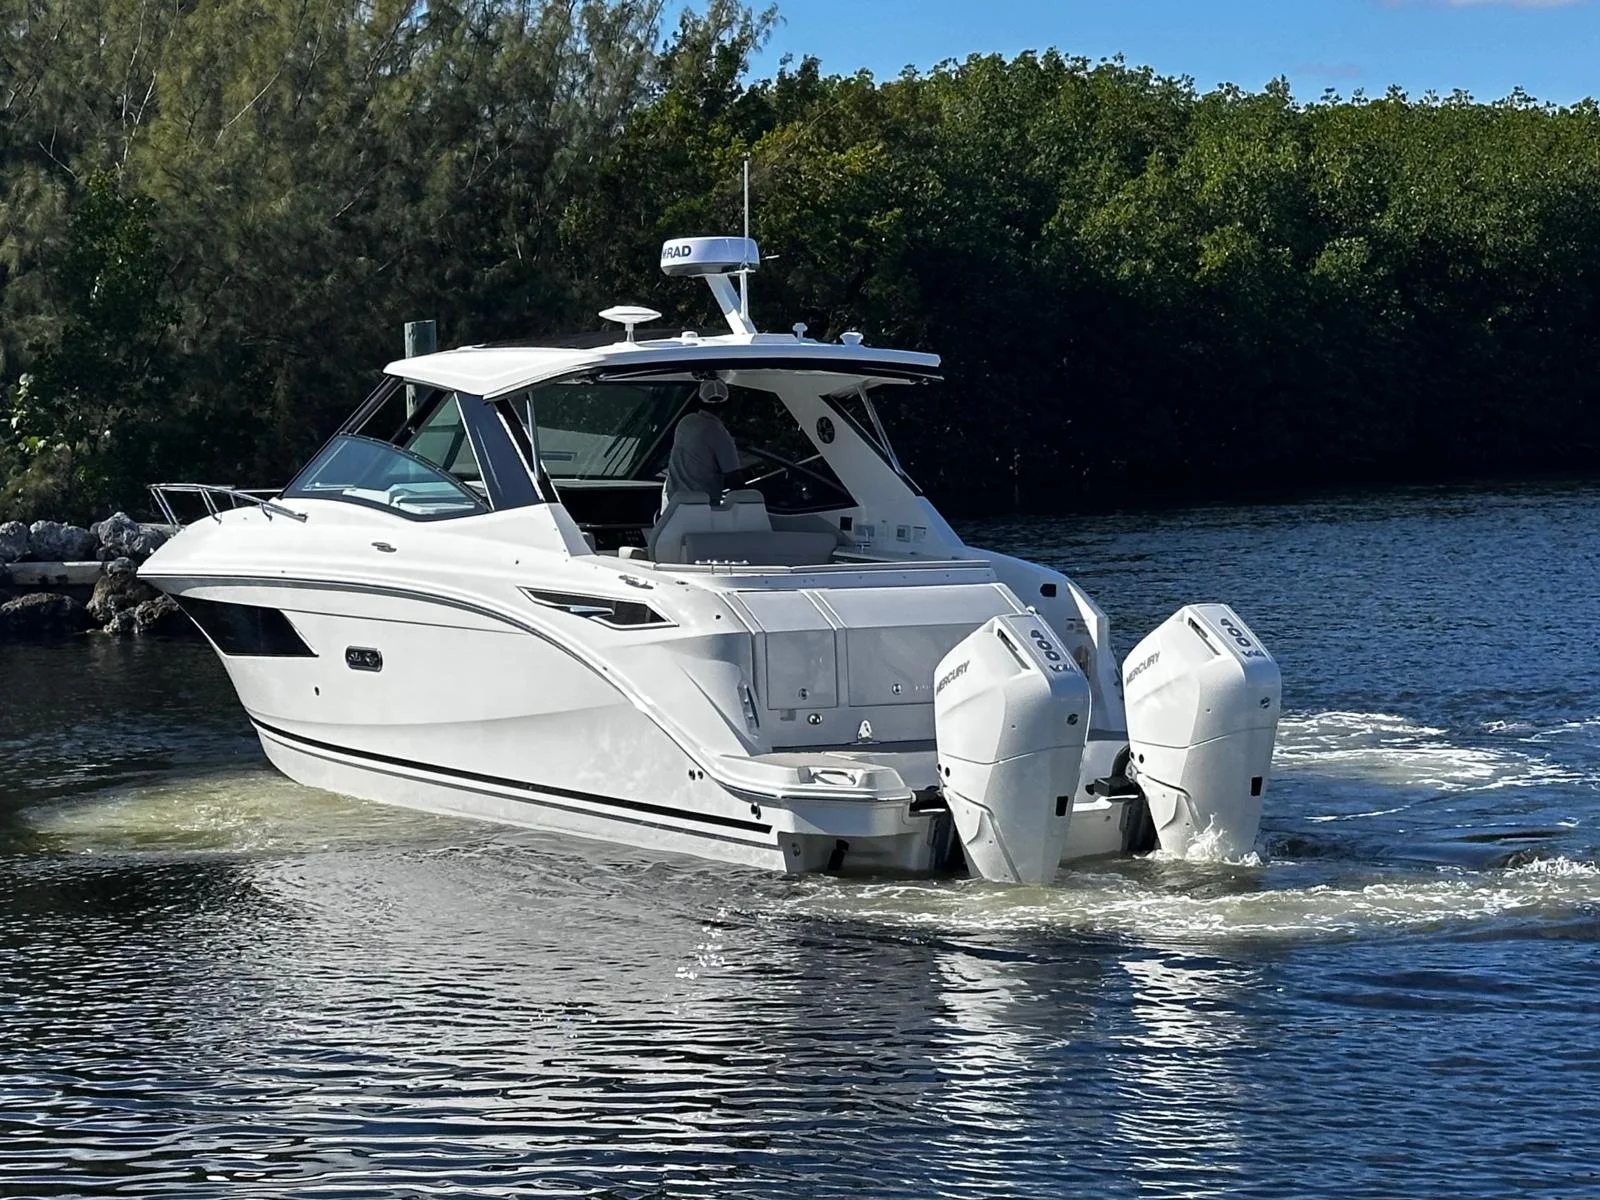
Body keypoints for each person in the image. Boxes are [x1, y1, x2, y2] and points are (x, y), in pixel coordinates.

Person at [663, 379, 740, 507]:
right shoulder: (719, 432)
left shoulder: (685, 422)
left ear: (699, 401)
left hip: (671, 507)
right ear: (728, 404)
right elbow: (735, 479)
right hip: (701, 511)